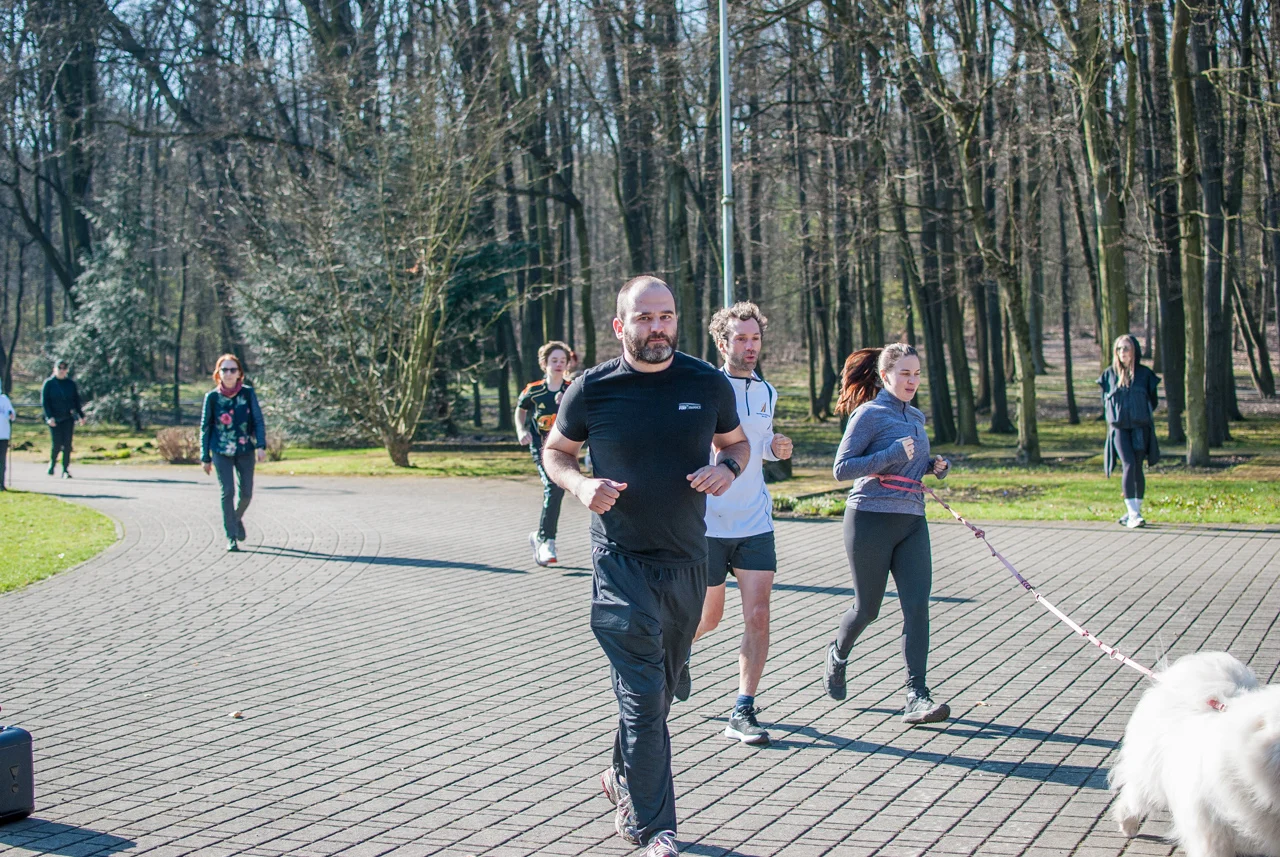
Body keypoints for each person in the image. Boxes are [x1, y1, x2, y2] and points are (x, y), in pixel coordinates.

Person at [542, 276, 749, 857]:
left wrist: (727, 471)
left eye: (666, 316)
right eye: (644, 318)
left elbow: (736, 444)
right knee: (640, 694)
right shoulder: (592, 388)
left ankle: (620, 776)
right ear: (620, 326)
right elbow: (555, 452)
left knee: (657, 693)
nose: (657, 328)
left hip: (686, 559)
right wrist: (579, 485)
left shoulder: (706, 382)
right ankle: (655, 827)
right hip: (620, 562)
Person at [675, 302, 792, 748]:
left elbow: (755, 448)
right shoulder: (704, 386)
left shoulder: (767, 391)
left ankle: (743, 708)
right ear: (722, 344)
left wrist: (775, 447)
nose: (749, 347)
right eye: (740, 339)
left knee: (758, 615)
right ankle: (681, 649)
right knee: (708, 618)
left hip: (754, 522)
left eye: (755, 338)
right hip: (705, 524)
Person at [823, 344, 952, 726]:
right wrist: (893, 453)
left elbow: (911, 463)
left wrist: (935, 465)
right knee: (868, 608)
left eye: (916, 374)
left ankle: (917, 694)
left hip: (912, 520)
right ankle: (838, 653)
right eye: (904, 374)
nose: (912, 381)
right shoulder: (868, 414)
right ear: (885, 377)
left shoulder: (916, 416)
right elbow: (842, 469)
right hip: (869, 520)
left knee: (917, 607)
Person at [200, 354, 266, 552]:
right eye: (224, 370)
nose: (229, 374)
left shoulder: (247, 394)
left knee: (246, 493)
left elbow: (258, 419)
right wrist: (205, 457)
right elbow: (205, 427)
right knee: (227, 492)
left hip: (245, 449)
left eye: (233, 370)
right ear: (218, 374)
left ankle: (236, 519)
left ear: (239, 374)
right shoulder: (211, 398)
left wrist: (261, 445)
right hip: (221, 451)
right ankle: (231, 536)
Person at [515, 341, 572, 566]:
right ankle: (546, 539)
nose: (558, 364)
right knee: (554, 487)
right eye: (554, 361)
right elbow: (520, 412)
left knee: (559, 488)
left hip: (565, 448)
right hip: (541, 446)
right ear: (544, 364)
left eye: (562, 361)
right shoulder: (534, 390)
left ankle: (540, 536)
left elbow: (587, 413)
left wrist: (568, 402)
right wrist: (520, 430)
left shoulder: (571, 389)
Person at [1098, 334, 1161, 529]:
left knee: (1138, 466)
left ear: (1134, 351)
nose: (1122, 352)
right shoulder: (1109, 375)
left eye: (1126, 348)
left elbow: (1154, 400)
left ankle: (1135, 509)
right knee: (1128, 464)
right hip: (1119, 429)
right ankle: (1133, 513)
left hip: (1140, 427)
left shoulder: (1145, 375)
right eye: (1119, 349)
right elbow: (1104, 401)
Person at [41, 359, 85, 478]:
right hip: (54, 418)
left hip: (68, 418)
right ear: (54, 369)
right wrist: (49, 417)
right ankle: (52, 463)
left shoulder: (70, 384)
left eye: (64, 369)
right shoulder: (49, 383)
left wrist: (81, 415)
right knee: (56, 443)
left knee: (67, 444)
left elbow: (76, 401)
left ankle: (65, 469)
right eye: (59, 368)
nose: (61, 371)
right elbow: (45, 402)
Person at [0, 383, 15, 490]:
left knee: (2, 460)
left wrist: (10, 414)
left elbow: (11, 413)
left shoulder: (4, 399)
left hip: (3, 434)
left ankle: (1, 483)